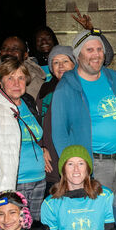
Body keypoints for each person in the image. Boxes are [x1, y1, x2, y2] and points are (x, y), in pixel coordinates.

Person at [51, 29, 116, 193]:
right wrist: (73, 168)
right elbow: (59, 133)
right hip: (95, 165)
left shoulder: (114, 78)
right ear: (77, 56)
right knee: (101, 216)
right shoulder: (66, 87)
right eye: (90, 50)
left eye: (99, 49)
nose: (96, 55)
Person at [0, 58, 48, 217]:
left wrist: (42, 149)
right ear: (0, 81)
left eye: (21, 78)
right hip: (14, 184)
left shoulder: (27, 103)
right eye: (10, 78)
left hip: (38, 180)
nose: (16, 83)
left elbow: (29, 136)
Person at [36, 45, 76, 192]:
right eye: (56, 62)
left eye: (65, 61)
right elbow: (36, 120)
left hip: (78, 156)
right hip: (52, 158)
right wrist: (41, 146)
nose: (61, 66)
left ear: (74, 63)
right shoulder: (46, 89)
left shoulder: (82, 88)